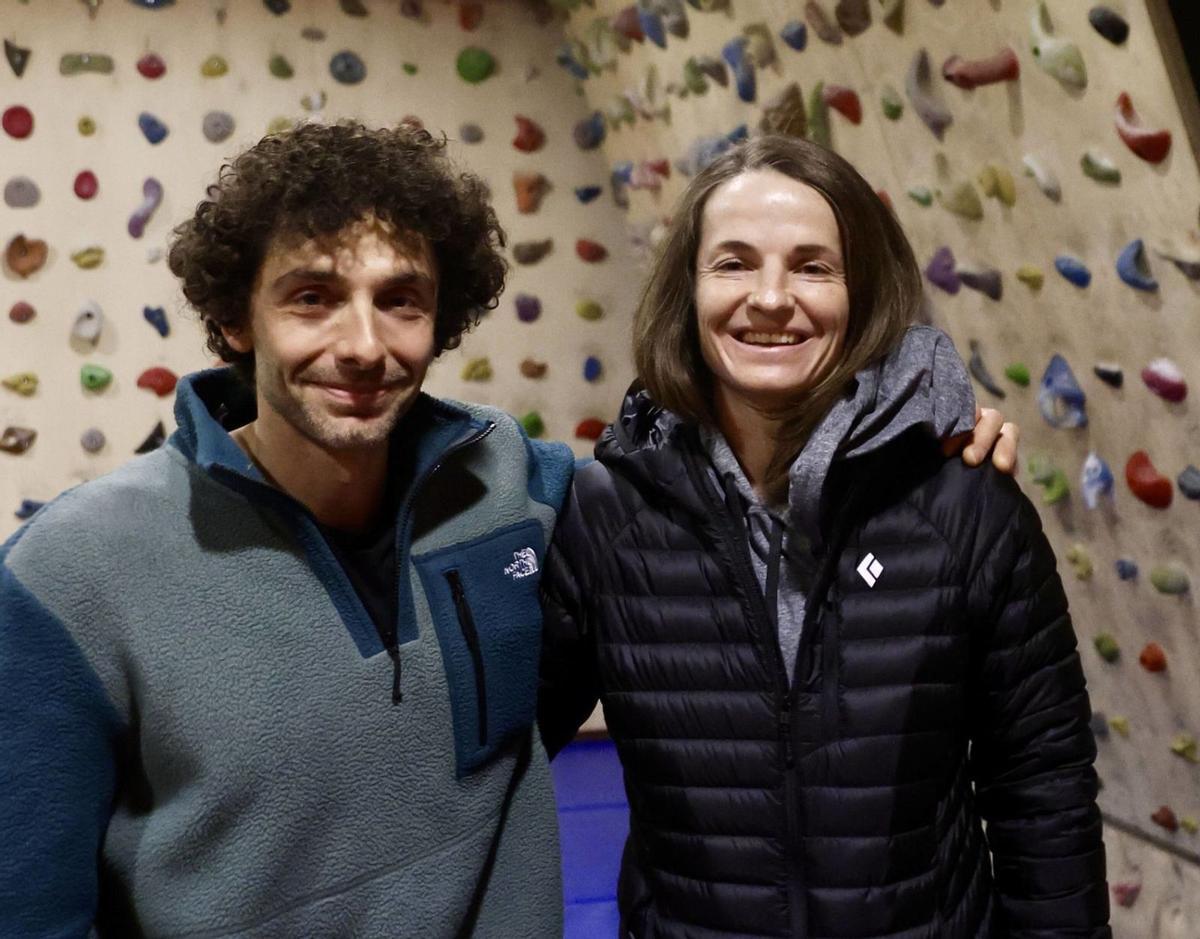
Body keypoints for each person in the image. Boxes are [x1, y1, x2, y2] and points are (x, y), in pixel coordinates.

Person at [0, 122, 573, 936]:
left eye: (400, 300)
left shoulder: (512, 481)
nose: (364, 345)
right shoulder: (71, 573)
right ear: (238, 318)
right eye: (313, 297)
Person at [538, 134, 1109, 938]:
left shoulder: (965, 504)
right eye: (733, 263)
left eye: (813, 266)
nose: (771, 298)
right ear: (687, 291)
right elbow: (494, 754)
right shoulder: (607, 516)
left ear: (865, 293)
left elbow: (1043, 789)